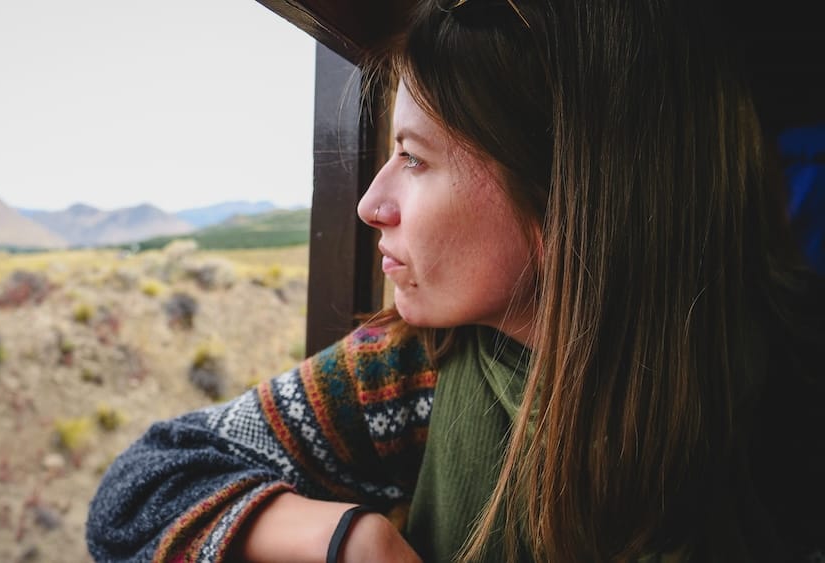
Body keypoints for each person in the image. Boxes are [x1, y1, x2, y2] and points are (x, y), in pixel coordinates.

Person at [86, 0, 825, 561]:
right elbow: (138, 490)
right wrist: (347, 540)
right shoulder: (415, 366)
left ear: (566, 189)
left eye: (413, 157)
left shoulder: (788, 396)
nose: (372, 205)